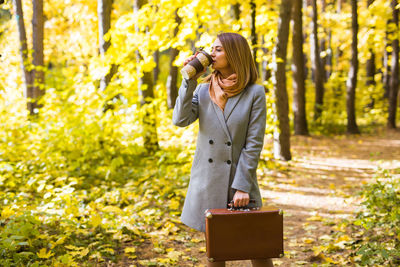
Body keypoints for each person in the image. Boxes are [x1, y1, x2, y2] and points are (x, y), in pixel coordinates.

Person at [172, 32, 273, 267]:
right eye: (211, 49)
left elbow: (253, 143)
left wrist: (242, 187)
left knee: (259, 249)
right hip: (208, 181)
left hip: (240, 180)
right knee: (217, 253)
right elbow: (180, 119)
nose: (211, 53)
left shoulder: (254, 93)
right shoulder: (202, 90)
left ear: (234, 53)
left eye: (218, 49)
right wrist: (189, 80)